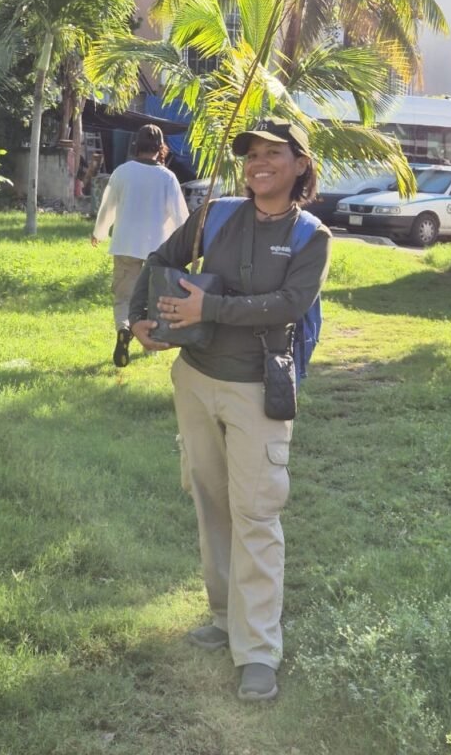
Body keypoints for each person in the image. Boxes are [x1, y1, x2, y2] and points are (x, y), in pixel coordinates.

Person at [128, 118, 332, 701]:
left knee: (257, 514)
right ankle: (223, 618)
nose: (259, 163)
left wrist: (209, 310)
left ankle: (259, 650)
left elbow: (287, 306)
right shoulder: (214, 213)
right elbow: (158, 259)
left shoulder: (311, 236)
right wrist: (140, 320)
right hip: (194, 379)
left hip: (255, 390)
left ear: (299, 165)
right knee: (211, 503)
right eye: (252, 154)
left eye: (275, 154)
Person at [91, 123, 189, 368]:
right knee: (155, 298)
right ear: (160, 148)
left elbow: (108, 206)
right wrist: (188, 247)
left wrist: (99, 232)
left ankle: (124, 329)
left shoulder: (122, 172)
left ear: (136, 146)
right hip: (158, 249)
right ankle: (151, 343)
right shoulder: (167, 177)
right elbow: (180, 216)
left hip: (125, 243)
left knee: (124, 296)